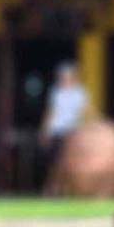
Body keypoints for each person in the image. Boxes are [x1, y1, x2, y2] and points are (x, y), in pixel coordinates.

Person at [39, 62, 88, 193]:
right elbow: (51, 112)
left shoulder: (79, 93)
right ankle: (51, 188)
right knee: (55, 162)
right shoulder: (56, 92)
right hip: (57, 130)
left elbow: (82, 113)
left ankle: (65, 189)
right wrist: (45, 130)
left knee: (69, 163)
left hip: (72, 131)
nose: (64, 78)